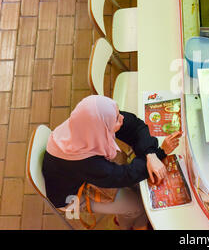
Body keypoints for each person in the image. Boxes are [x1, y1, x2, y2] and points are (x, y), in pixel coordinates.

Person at [42, 95, 182, 230]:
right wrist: (161, 152)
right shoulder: (85, 162)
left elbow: (136, 126)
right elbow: (123, 177)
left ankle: (138, 221)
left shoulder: (89, 122)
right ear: (101, 128)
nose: (121, 118)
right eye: (116, 119)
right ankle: (128, 225)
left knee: (139, 184)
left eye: (117, 112)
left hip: (77, 174)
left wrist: (151, 155)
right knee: (137, 206)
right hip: (71, 197)